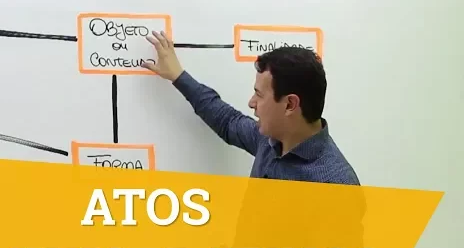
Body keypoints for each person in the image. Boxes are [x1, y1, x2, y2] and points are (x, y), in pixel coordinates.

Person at [141, 31, 360, 185]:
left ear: (290, 104)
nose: (251, 102)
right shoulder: (271, 140)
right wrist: (178, 76)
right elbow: (227, 121)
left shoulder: (336, 185)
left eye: (259, 94)